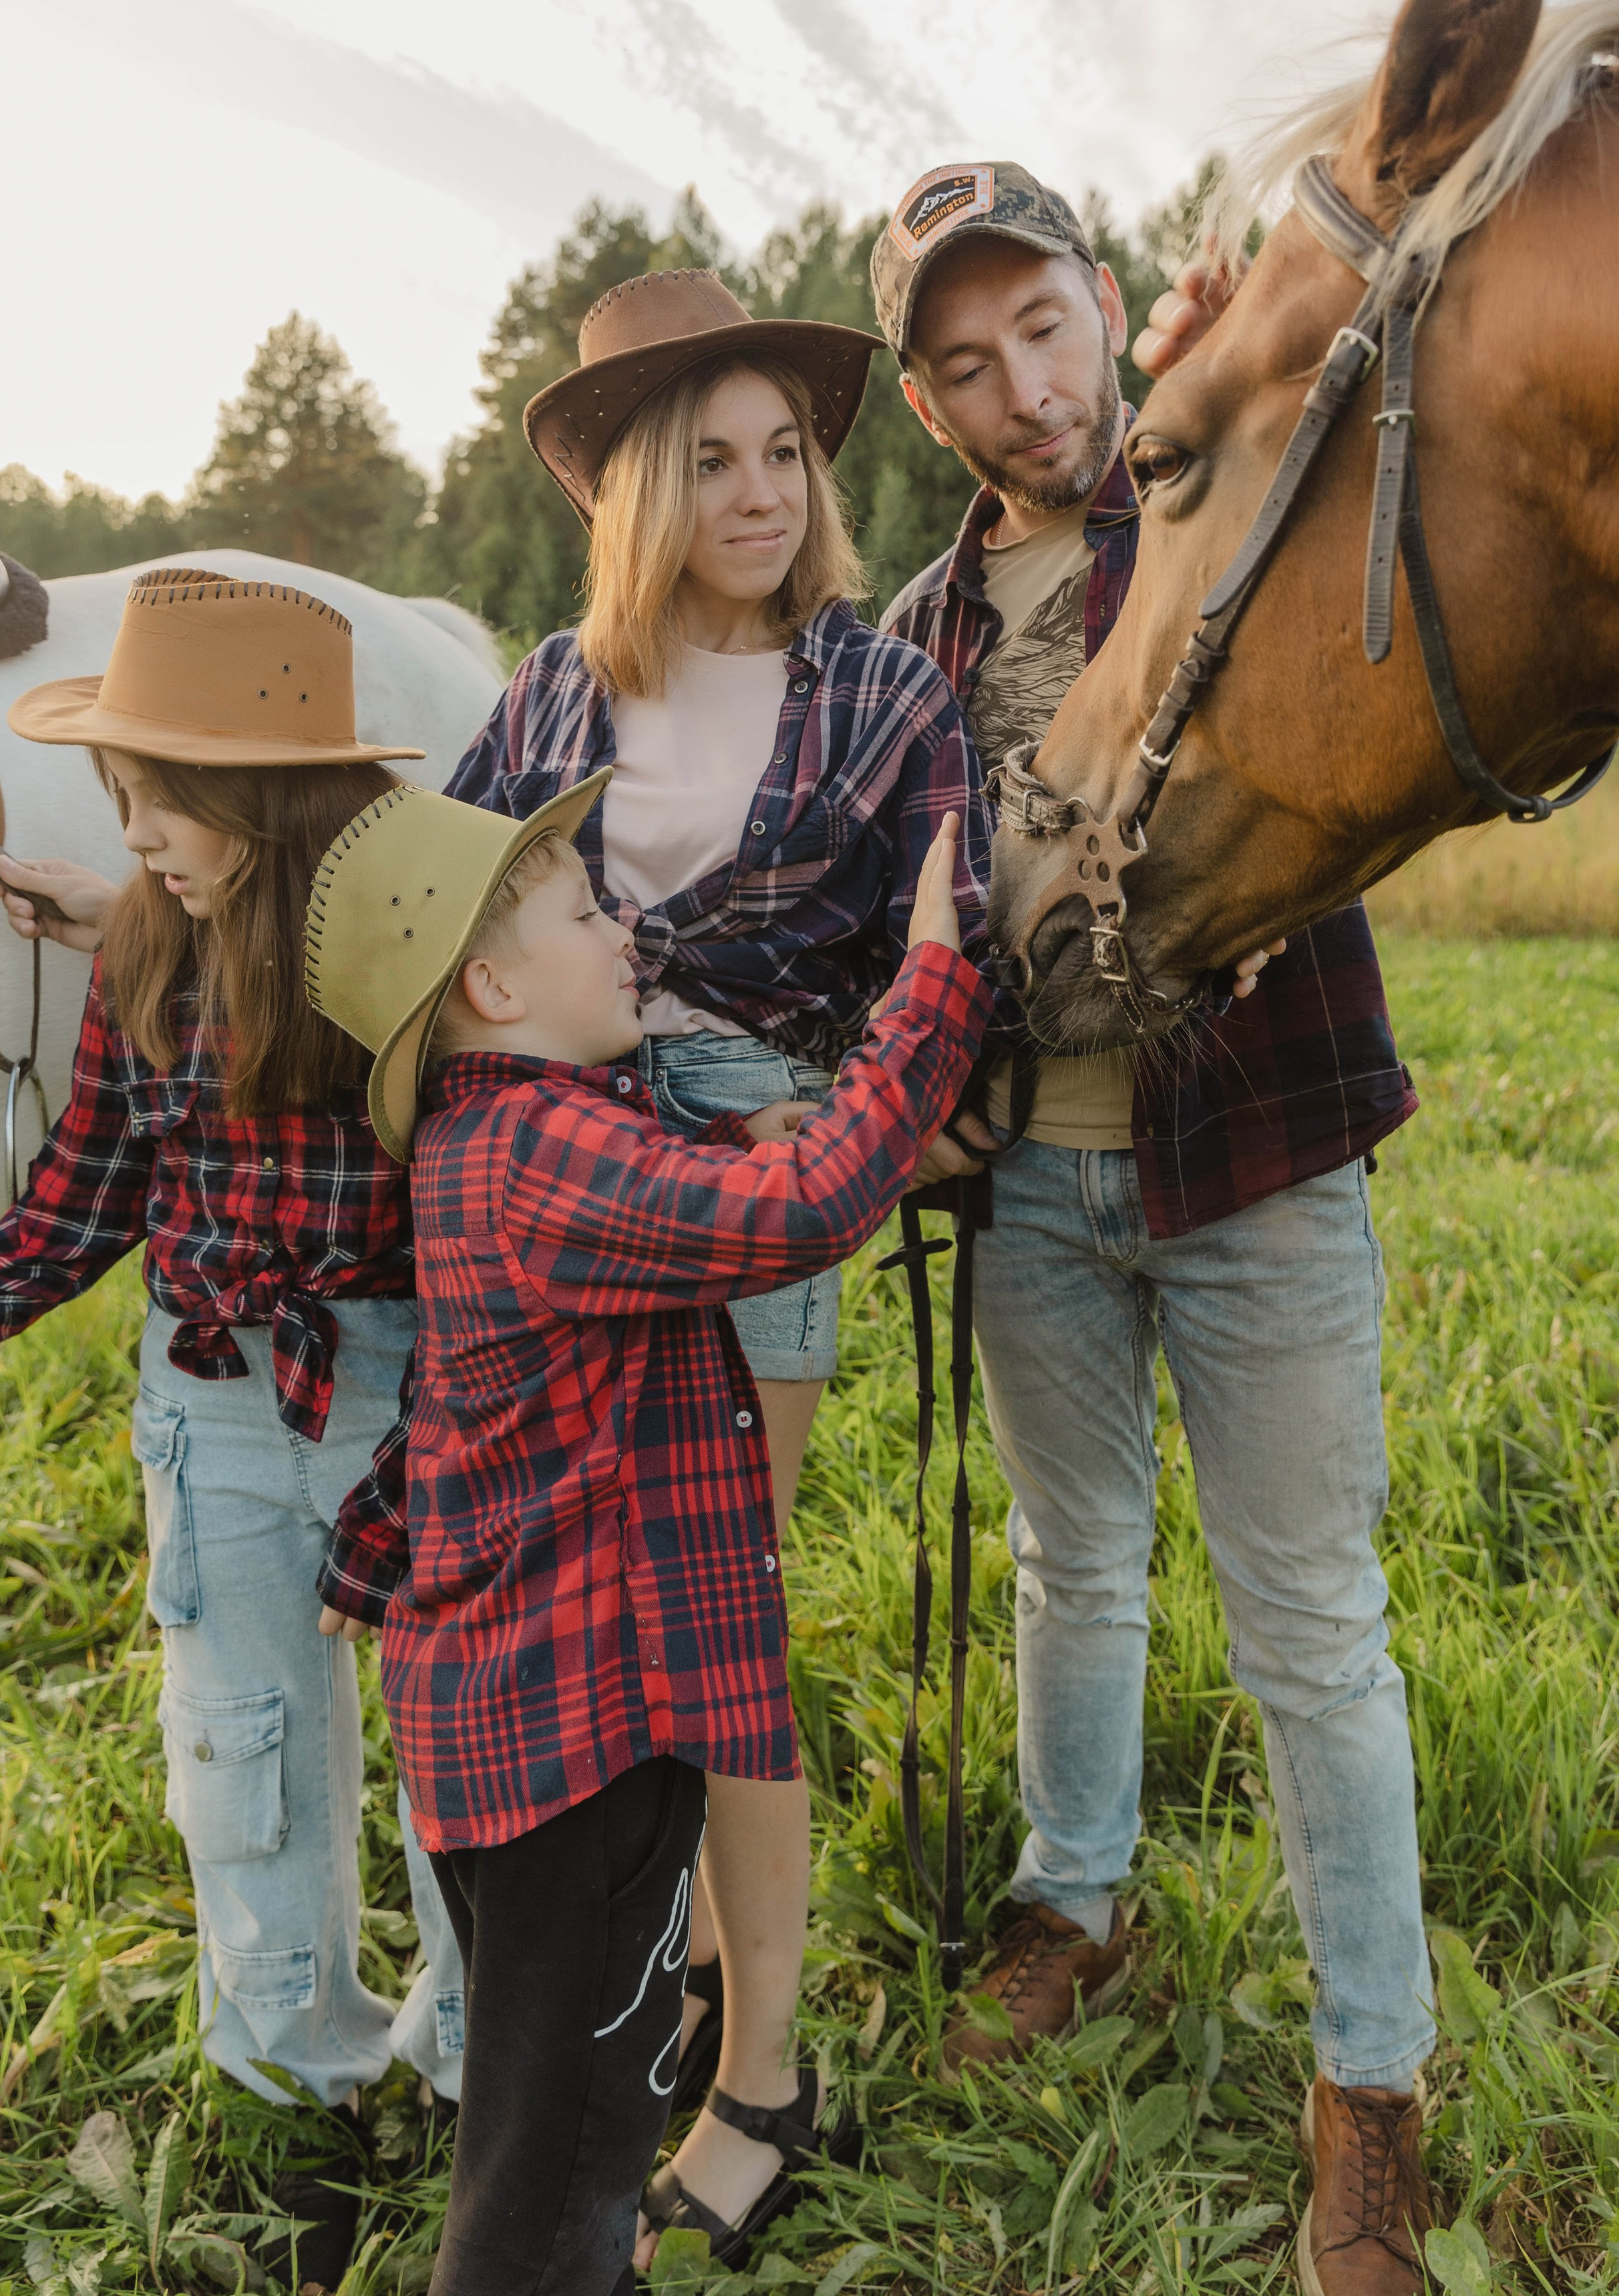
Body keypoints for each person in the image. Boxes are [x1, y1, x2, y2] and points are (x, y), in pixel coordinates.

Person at [870, 166, 1435, 2296]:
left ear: (1112, 304)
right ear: (926, 404)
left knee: (1310, 1617)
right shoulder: (918, 638)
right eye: (969, 360)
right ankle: (1077, 1902)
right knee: (1067, 1564)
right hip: (1037, 1178)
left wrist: (1240, 341)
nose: (1028, 386)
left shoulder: (1230, 484)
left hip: (1258, 1162)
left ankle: (1373, 2084)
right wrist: (912, 1093)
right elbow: (898, 904)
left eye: (1047, 325)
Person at [445, 267, 989, 2255]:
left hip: (765, 1171)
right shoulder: (554, 694)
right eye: (713, 461)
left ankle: (766, 2066)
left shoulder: (880, 691)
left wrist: (878, 1095)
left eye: (784, 454)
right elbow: (448, 920)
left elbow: (961, 924)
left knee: (712, 1638)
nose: (761, 493)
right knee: (592, 1628)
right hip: (567, 1188)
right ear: (636, 495)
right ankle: (649, 1990)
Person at [308, 784, 989, 2296]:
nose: (627, 930)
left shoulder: (498, 1144)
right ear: (492, 989)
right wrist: (930, 973)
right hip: (584, 1751)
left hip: (509, 1739)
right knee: (555, 2179)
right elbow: (807, 1204)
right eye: (581, 913)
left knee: (549, 2111)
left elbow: (469, 1386)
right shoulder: (543, 1157)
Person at [0, 573, 468, 2289]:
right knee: (239, 1760)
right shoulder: (143, 956)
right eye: (126, 797)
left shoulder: (407, 975)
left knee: (456, 1766)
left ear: (263, 797)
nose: (131, 828)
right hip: (209, 1406)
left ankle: (473, 2065)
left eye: (159, 798)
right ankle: (291, 2080)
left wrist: (412, 1483)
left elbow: (471, 1250)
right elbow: (76, 1216)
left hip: (395, 1392)